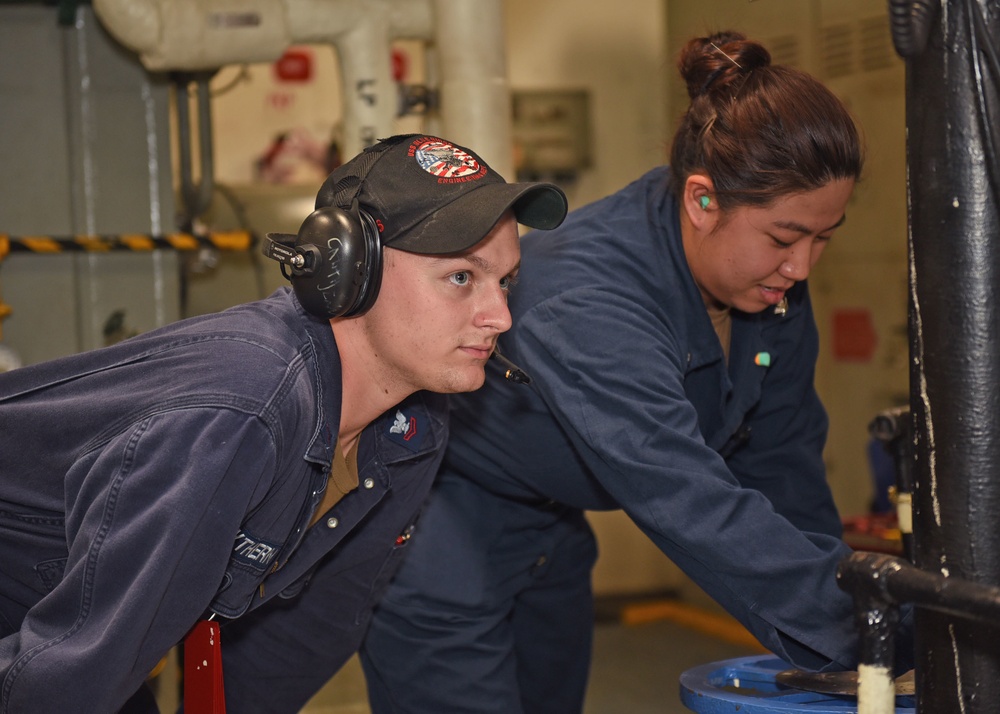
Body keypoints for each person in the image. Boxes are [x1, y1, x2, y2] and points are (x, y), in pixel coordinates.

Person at [359, 33, 914, 714]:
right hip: (441, 534)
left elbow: (784, 466)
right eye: (782, 237)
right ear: (703, 201)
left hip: (552, 531)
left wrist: (860, 619)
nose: (802, 268)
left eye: (823, 238)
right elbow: (682, 493)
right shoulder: (589, 302)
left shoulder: (771, 296)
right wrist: (873, 638)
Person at [0, 133, 567, 713]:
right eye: (461, 278)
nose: (498, 316)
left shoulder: (412, 426)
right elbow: (67, 678)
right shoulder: (244, 410)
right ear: (349, 268)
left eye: (505, 282)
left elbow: (313, 630)